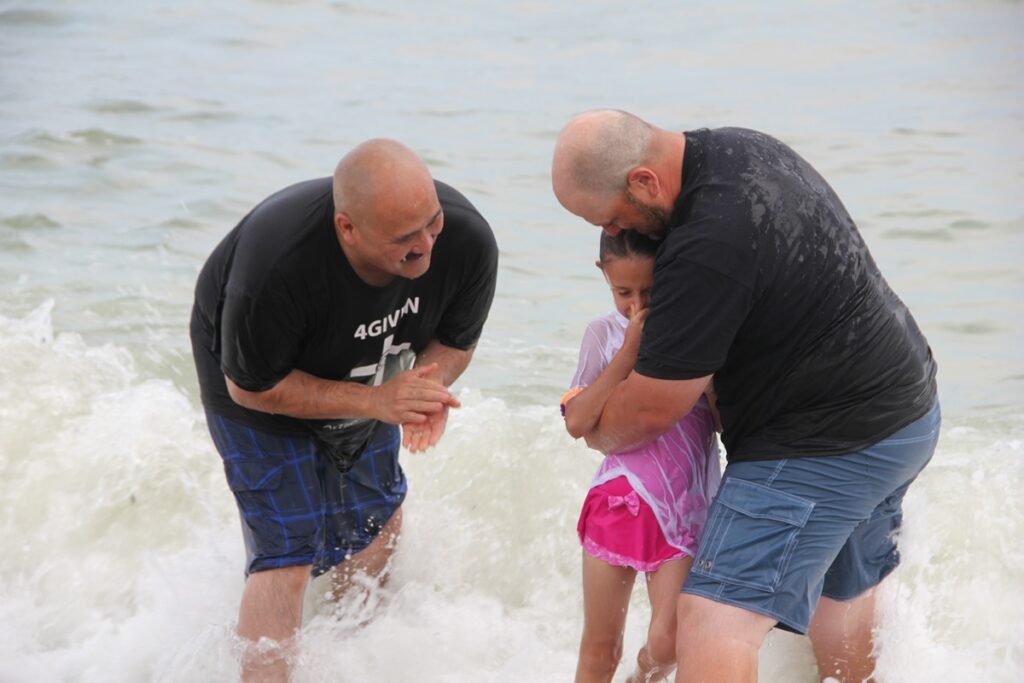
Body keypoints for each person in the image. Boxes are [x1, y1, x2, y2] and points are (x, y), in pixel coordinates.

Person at [551, 110, 939, 683]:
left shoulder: (705, 243)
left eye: (611, 218)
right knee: (840, 599)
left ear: (643, 182)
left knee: (711, 621)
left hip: (823, 440)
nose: (613, 234)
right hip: (904, 415)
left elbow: (652, 412)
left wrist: (595, 431)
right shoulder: (741, 147)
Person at [190, 138, 498, 681]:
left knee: (376, 521)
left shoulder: (467, 240)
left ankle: (350, 657)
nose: (426, 248)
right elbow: (252, 388)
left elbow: (456, 340)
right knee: (287, 549)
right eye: (404, 239)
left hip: (369, 363)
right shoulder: (276, 269)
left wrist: (425, 388)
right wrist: (377, 401)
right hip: (254, 378)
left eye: (431, 224)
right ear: (347, 228)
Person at [562, 230, 721, 683]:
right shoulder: (603, 334)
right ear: (604, 278)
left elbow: (727, 426)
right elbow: (577, 422)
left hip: (685, 506)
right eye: (623, 292)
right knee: (599, 647)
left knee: (670, 640)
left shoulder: (699, 333)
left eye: (649, 291)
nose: (636, 305)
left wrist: (709, 385)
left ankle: (641, 678)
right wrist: (628, 352)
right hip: (618, 498)